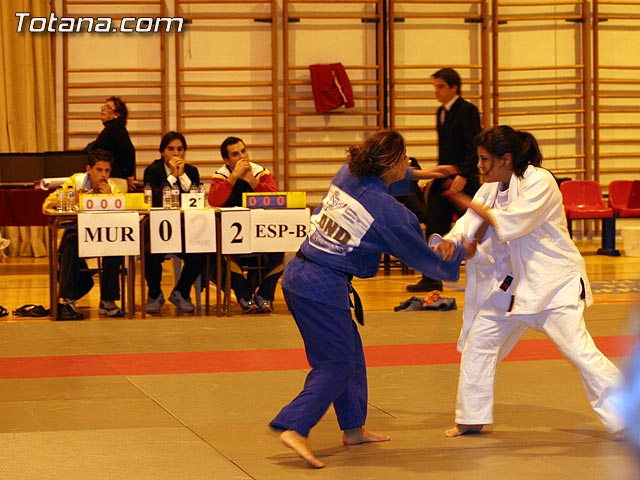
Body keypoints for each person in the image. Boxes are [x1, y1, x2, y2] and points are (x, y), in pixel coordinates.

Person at [268, 130, 475, 468]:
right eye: (405, 159)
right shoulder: (391, 214)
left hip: (300, 274)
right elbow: (424, 259)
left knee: (350, 352)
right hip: (320, 285)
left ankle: (353, 429)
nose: (408, 163)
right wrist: (460, 252)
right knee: (336, 363)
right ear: (392, 164)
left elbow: (383, 178)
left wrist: (426, 174)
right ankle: (294, 425)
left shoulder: (349, 174)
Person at [435, 125, 624, 438]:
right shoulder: (489, 190)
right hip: (512, 288)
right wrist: (450, 243)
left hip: (554, 284)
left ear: (506, 158)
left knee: (579, 351)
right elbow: (469, 228)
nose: (479, 166)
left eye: (485, 159)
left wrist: (464, 200)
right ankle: (471, 417)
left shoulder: (539, 180)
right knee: (479, 344)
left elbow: (514, 221)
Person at [407, 67, 482, 293]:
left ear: (454, 87)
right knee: (434, 224)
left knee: (474, 227)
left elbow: (473, 147)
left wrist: (464, 176)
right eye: (435, 87)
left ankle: (489, 269)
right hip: (443, 179)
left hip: (464, 179)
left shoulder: (467, 110)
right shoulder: (441, 112)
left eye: (441, 86)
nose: (436, 91)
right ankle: (431, 277)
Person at [42, 149, 124, 320]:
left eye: (107, 171)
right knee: (70, 241)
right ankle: (68, 301)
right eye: (99, 170)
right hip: (78, 233)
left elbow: (124, 212)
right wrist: (73, 199)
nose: (103, 175)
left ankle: (108, 301)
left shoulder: (113, 189)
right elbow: (47, 205)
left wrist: (109, 198)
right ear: (89, 169)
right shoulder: (75, 182)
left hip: (102, 235)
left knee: (116, 244)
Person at [208, 136, 283, 314]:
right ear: (226, 160)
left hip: (261, 232)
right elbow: (214, 200)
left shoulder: (260, 172)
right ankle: (246, 296)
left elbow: (276, 199)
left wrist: (252, 182)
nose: (242, 157)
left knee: (281, 247)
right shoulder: (221, 176)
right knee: (220, 253)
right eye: (235, 154)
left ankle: (264, 295)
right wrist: (233, 178)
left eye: (243, 151)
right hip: (231, 236)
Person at [143, 131, 205, 314]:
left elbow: (196, 197)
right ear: (162, 152)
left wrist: (182, 176)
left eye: (180, 149)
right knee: (149, 251)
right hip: (158, 228)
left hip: (185, 228)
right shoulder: (152, 170)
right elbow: (153, 198)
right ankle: (154, 294)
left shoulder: (191, 171)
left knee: (202, 249)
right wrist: (171, 177)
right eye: (171, 149)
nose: (176, 153)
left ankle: (181, 291)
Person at [86, 96, 136, 193]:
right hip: (110, 178)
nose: (103, 109)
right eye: (104, 106)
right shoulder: (112, 128)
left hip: (115, 180)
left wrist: (130, 176)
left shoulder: (115, 128)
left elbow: (129, 151)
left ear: (116, 115)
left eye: (109, 107)